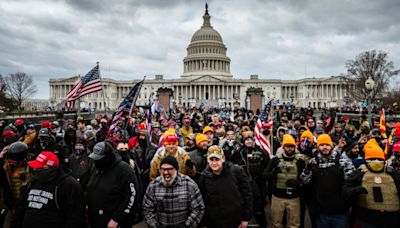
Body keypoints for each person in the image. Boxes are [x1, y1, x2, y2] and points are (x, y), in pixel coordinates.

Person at [11, 151, 86, 228]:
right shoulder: (33, 181)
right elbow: (20, 208)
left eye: (39, 167)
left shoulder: (69, 185)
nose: (35, 169)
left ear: (50, 168)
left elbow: (76, 217)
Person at [301, 134, 355, 228]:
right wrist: (308, 169)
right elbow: (305, 181)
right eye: (322, 145)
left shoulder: (343, 161)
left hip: (340, 212)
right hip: (321, 212)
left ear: (331, 146)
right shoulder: (313, 162)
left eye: (327, 144)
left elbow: (351, 181)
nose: (325, 147)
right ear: (318, 147)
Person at [344, 139, 400, 228]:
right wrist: (354, 191)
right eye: (372, 159)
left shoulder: (393, 173)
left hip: (392, 219)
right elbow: (346, 189)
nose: (376, 161)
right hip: (367, 219)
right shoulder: (360, 172)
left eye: (379, 159)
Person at [86, 141, 139, 228]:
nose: (96, 161)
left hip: (115, 223)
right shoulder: (96, 168)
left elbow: (132, 196)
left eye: (99, 159)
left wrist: (116, 218)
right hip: (96, 220)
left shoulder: (124, 170)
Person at [142, 156, 205, 228]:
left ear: (176, 169)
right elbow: (147, 210)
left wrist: (187, 225)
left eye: (169, 169)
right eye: (163, 169)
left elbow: (198, 208)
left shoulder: (189, 184)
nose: (166, 172)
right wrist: (154, 226)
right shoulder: (153, 186)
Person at [199, 145, 253, 228]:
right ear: (207, 160)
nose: (214, 163)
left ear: (223, 158)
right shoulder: (204, 176)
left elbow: (247, 196)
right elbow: (202, 201)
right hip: (214, 222)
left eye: (217, 159)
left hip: (235, 220)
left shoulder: (237, 171)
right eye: (211, 159)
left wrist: (246, 219)